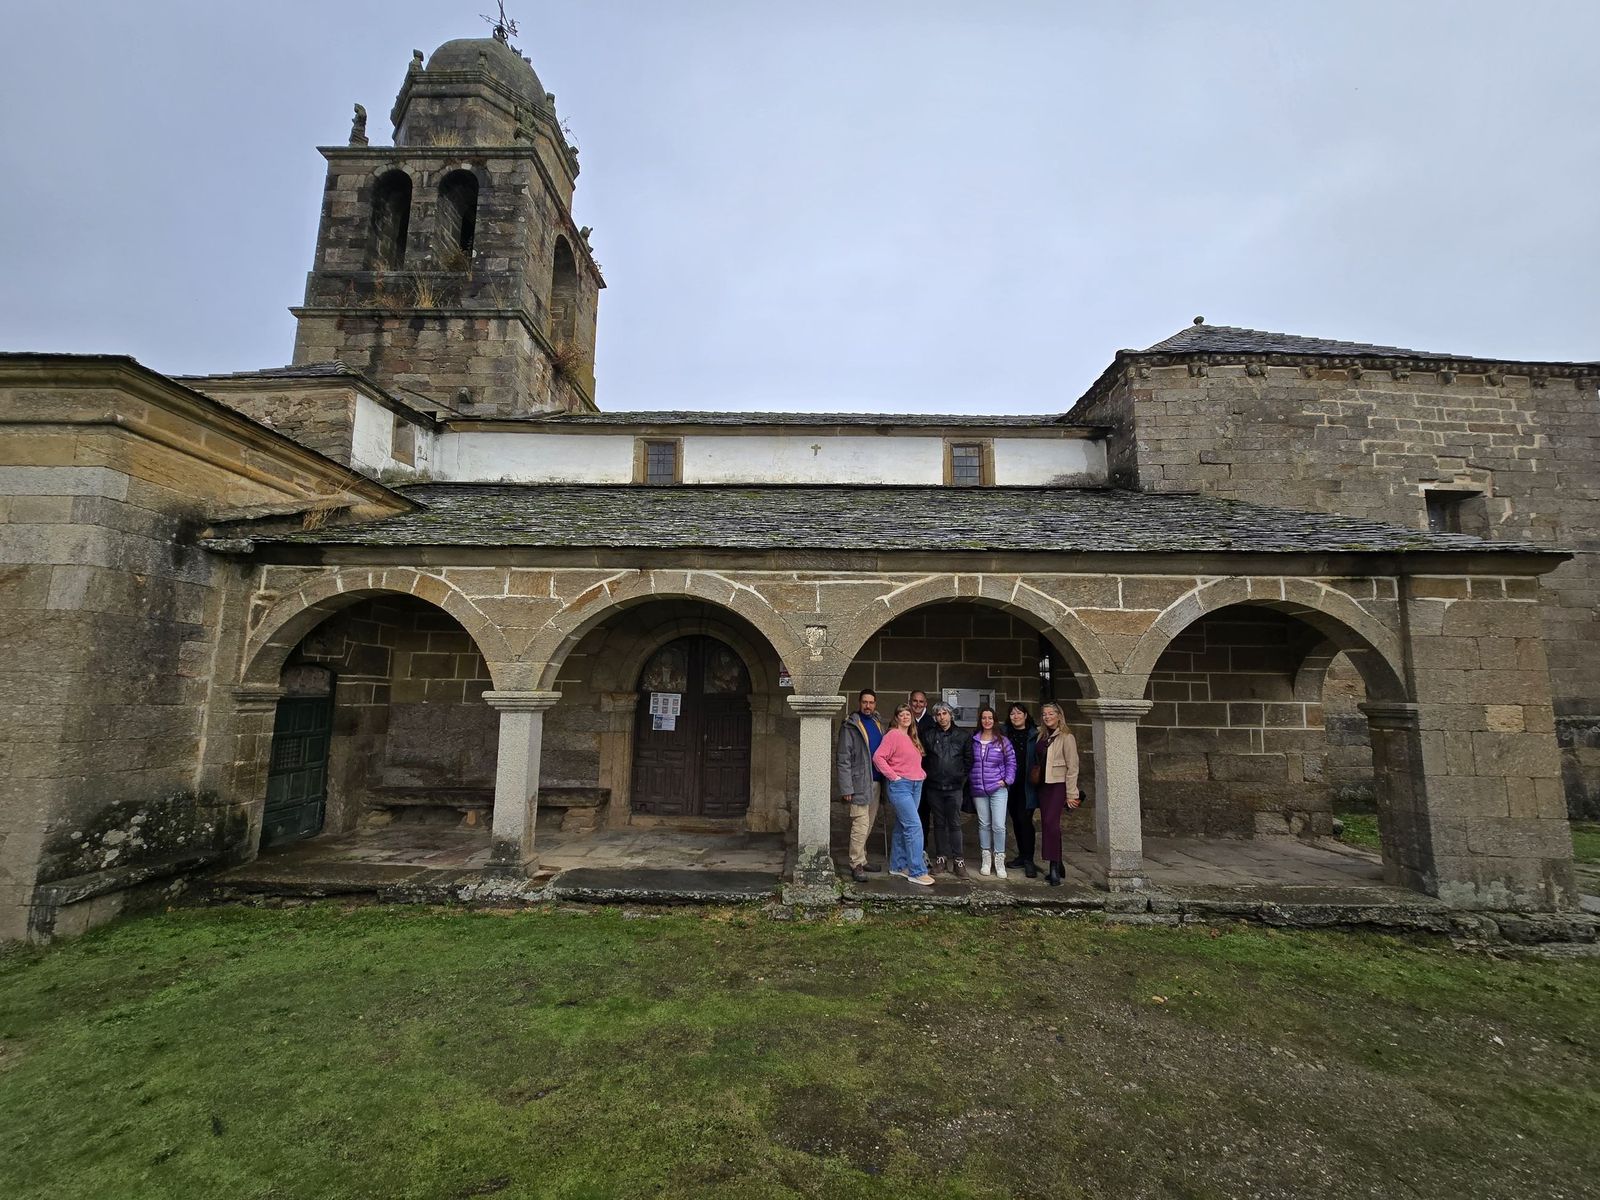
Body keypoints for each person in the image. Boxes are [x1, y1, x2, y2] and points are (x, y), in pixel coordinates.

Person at [872, 703, 933, 886]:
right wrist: (894, 777)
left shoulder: (911, 737)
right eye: (902, 714)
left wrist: (920, 775)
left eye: (908, 714)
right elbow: (878, 757)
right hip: (901, 786)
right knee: (914, 826)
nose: (905, 717)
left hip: (916, 784)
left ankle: (898, 866)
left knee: (902, 825)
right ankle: (917, 870)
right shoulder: (893, 735)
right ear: (896, 717)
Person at [835, 688, 886, 883]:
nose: (868, 706)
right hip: (858, 783)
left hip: (876, 781)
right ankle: (856, 863)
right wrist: (846, 788)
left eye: (871, 702)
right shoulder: (850, 726)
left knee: (869, 823)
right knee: (860, 823)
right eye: (864, 702)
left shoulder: (877, 723)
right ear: (859, 703)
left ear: (875, 704)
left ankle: (862, 859)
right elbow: (843, 759)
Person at [1034, 701, 1081, 886]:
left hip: (1058, 785)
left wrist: (1071, 793)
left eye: (1050, 714)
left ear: (1059, 716)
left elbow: (1073, 766)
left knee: (1050, 823)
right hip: (1043, 785)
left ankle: (1053, 866)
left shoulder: (1066, 737)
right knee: (1049, 824)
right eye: (1044, 714)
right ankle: (1059, 862)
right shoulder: (1042, 735)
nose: (1047, 717)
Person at [968, 705, 1017, 878]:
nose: (986, 721)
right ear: (980, 720)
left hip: (998, 788)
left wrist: (1007, 780)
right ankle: (986, 858)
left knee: (998, 825)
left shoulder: (1003, 741)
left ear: (994, 720)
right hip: (979, 788)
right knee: (984, 824)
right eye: (983, 718)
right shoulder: (974, 740)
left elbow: (1011, 762)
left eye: (990, 718)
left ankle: (999, 859)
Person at [920, 702, 968, 877]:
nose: (942, 717)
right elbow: (923, 759)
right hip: (934, 787)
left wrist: (960, 778)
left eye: (945, 713)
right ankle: (941, 859)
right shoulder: (929, 735)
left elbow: (968, 760)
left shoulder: (962, 735)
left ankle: (958, 860)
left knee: (955, 824)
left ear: (951, 715)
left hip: (954, 788)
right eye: (938, 714)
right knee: (938, 824)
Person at [1003, 703, 1041, 878]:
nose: (1015, 716)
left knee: (1025, 819)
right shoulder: (1005, 733)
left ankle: (1029, 859)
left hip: (1028, 784)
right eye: (1012, 714)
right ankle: (1021, 855)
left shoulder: (1035, 734)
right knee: (1016, 820)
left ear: (1026, 715)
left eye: (1019, 713)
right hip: (1011, 784)